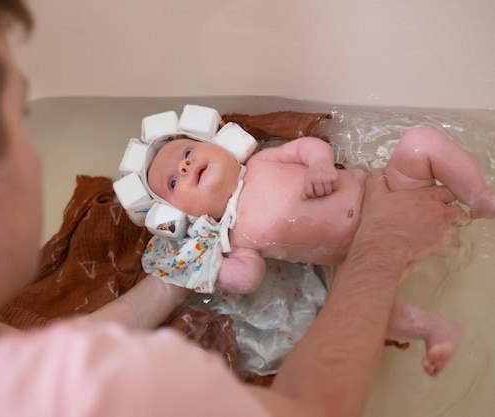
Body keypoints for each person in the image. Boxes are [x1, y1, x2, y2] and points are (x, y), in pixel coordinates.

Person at [0, 1, 462, 416]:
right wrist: (380, 245)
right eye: (18, 119)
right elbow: (314, 409)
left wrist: (172, 278)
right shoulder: (96, 389)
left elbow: (25, 349)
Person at [146, 126, 488, 376]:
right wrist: (212, 266)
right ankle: (432, 328)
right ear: (180, 216)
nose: (186, 167)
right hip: (366, 256)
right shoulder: (234, 237)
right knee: (362, 312)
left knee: (419, 141)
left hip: (390, 186)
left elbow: (307, 148)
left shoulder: (263, 161)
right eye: (173, 183)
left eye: (187, 153)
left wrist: (321, 166)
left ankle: (478, 196)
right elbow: (250, 277)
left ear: (220, 145)